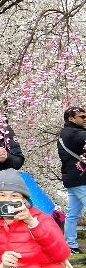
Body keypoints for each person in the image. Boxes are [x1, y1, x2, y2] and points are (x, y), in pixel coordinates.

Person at [59, 106, 86, 253]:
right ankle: (70, 243)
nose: (85, 119)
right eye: (82, 117)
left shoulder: (66, 132)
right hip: (80, 178)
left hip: (73, 178)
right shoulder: (73, 133)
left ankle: (70, 244)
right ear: (71, 119)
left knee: (72, 214)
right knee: (73, 214)